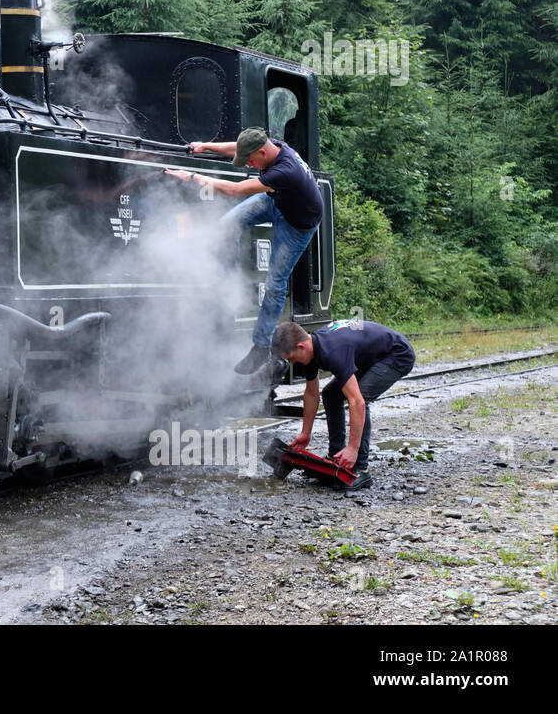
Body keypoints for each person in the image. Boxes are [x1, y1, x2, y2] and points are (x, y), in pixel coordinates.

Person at [165, 126, 323, 373]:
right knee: (228, 224)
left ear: (262, 152)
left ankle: (261, 347)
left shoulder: (286, 171)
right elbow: (236, 148)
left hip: (297, 225)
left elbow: (235, 190)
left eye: (250, 161)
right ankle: (224, 284)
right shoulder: (272, 145)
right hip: (277, 201)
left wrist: (193, 177)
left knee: (274, 283)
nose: (249, 165)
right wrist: (206, 145)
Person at [271, 319, 415, 490]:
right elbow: (311, 394)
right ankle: (336, 457)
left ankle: (361, 468)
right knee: (331, 395)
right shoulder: (312, 351)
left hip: (396, 355)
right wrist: (305, 433)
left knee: (362, 396)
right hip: (369, 357)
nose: (293, 363)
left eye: (292, 358)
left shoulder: (333, 351)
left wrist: (352, 448)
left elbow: (357, 402)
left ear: (301, 346)